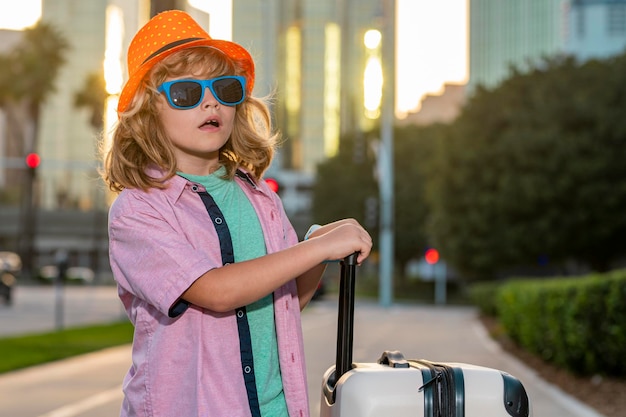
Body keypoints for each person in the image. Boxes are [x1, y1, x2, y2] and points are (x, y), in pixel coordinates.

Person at [102, 10, 372, 417]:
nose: (210, 100)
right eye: (187, 93)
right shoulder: (138, 211)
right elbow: (217, 291)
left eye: (224, 87)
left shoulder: (259, 197)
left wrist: (317, 245)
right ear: (147, 111)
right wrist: (314, 249)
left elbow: (283, 305)